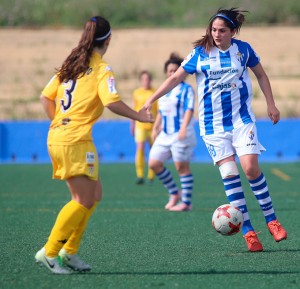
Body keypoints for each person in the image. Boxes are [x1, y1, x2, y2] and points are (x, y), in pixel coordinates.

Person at [144, 8, 287, 251]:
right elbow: (175, 79)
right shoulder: (199, 54)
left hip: (242, 120)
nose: (217, 34)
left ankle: (272, 220)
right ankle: (249, 232)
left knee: (251, 168)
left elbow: (261, 75)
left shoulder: (243, 50)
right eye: (213, 30)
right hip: (213, 127)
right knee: (230, 174)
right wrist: (151, 99)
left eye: (222, 30)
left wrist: (271, 104)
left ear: (232, 31)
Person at [35, 16, 153, 274]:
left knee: (94, 195)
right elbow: (111, 102)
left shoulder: (72, 63)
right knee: (81, 199)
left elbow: (45, 97)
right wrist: (139, 115)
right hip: (74, 140)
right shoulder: (102, 69)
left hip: (65, 137)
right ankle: (50, 252)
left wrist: (59, 122)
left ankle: (70, 251)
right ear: (108, 40)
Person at [148, 53, 196, 211]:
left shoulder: (186, 89)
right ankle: (174, 192)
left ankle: (186, 203)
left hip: (181, 133)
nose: (172, 73)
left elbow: (189, 109)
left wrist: (183, 127)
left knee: (181, 167)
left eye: (175, 70)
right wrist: (156, 127)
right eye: (170, 71)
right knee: (154, 163)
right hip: (165, 134)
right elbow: (162, 111)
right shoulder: (164, 90)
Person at [131, 71, 158, 185]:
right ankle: (140, 175)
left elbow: (158, 110)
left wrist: (158, 125)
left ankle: (151, 176)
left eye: (148, 79)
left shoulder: (155, 92)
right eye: (143, 79)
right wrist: (132, 124)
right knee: (140, 149)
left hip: (152, 125)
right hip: (140, 125)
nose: (146, 81)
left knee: (153, 151)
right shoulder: (136, 92)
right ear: (141, 80)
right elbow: (134, 108)